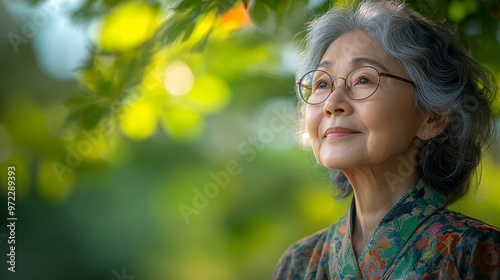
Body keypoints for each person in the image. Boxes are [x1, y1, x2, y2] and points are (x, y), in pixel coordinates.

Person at [271, 0, 500, 279]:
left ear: (432, 116)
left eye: (364, 79)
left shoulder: (478, 253)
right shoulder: (298, 263)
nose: (332, 103)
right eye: (322, 83)